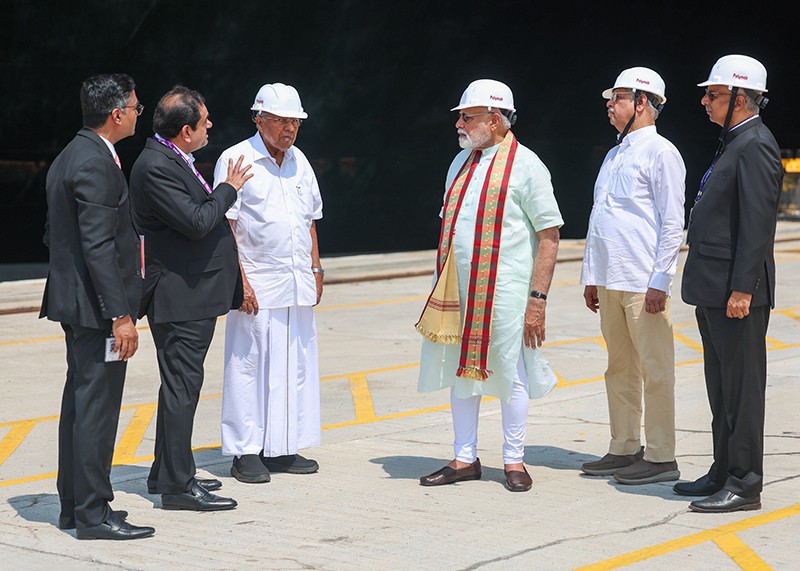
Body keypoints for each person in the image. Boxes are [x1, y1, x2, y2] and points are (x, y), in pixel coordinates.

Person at [416, 79, 563, 492]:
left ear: (494, 119)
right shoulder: (459, 163)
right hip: (460, 291)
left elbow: (549, 235)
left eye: (468, 116)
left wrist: (537, 301)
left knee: (510, 376)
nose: (459, 123)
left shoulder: (527, 165)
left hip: (507, 295)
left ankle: (513, 460)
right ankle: (465, 458)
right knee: (462, 374)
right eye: (460, 116)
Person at [40, 74, 154, 540]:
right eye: (135, 107)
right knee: (97, 409)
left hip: (78, 305)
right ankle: (91, 514)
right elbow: (98, 246)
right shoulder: (94, 163)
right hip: (97, 311)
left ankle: (76, 506)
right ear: (117, 113)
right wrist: (120, 315)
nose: (137, 114)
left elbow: (54, 233)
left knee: (82, 404)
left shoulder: (72, 154)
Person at [130, 86, 253, 511]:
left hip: (193, 294)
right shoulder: (155, 166)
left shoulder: (170, 157)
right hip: (180, 297)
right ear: (185, 131)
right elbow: (197, 221)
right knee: (183, 388)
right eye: (205, 121)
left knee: (181, 387)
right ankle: (178, 487)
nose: (210, 127)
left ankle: (167, 470)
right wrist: (229, 189)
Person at [677, 55, 782, 513]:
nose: (705, 101)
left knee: (742, 391)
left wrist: (744, 288)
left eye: (713, 94)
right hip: (713, 289)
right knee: (720, 388)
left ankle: (745, 482)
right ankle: (723, 469)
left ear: (741, 98)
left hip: (736, 294)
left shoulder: (755, 144)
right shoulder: (733, 141)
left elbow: (758, 225)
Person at [579, 67, 686, 485]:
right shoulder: (613, 154)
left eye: (618, 97)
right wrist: (591, 275)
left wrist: (661, 280)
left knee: (656, 370)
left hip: (643, 281)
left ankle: (661, 457)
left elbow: (672, 221)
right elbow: (601, 217)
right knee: (618, 367)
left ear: (643, 102)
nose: (610, 103)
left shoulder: (662, 153)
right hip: (609, 279)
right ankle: (624, 447)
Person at [215, 83, 323, 484]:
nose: (289, 128)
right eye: (280, 120)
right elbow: (226, 226)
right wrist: (239, 281)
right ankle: (245, 450)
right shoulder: (237, 159)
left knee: (294, 365)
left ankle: (281, 446)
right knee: (249, 366)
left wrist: (316, 269)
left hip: (296, 283)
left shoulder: (300, 162)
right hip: (256, 281)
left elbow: (310, 219)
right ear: (258, 119)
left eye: (294, 121)